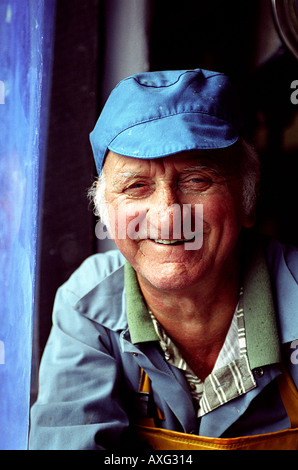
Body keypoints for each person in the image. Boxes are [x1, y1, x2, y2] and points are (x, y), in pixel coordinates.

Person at [29, 68, 298, 450]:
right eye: (136, 186)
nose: (167, 214)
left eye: (196, 180)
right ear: (107, 214)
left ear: (246, 202)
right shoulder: (88, 304)